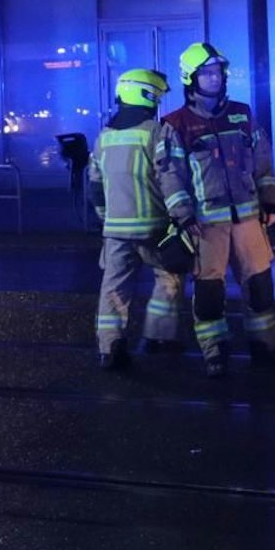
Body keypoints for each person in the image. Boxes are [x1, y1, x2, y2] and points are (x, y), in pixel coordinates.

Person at [157, 42, 275, 377]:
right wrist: (184, 217)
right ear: (191, 79)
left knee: (260, 288)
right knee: (209, 295)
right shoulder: (176, 124)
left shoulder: (242, 115)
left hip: (248, 220)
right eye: (207, 73)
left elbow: (263, 164)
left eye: (217, 72)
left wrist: (269, 199)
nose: (214, 79)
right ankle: (215, 353)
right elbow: (170, 176)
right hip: (205, 226)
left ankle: (266, 348)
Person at [89, 69, 186, 368]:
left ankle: (110, 346)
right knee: (169, 277)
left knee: (113, 287)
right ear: (148, 96)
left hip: (116, 230)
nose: (158, 101)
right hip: (154, 227)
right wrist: (182, 216)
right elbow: (171, 178)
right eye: (157, 96)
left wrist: (106, 218)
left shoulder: (103, 137)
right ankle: (157, 336)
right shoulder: (158, 132)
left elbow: (95, 185)